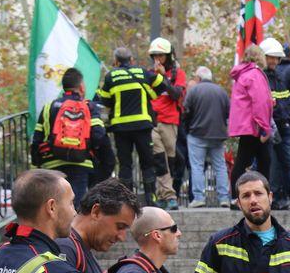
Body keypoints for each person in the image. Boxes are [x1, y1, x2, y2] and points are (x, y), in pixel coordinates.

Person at [96, 47, 169, 206]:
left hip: (121, 128)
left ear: (115, 61)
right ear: (131, 60)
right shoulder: (142, 72)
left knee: (125, 164)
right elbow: (162, 84)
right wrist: (159, 76)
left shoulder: (111, 76)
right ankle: (151, 199)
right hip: (142, 126)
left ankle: (126, 201)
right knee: (147, 163)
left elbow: (105, 101)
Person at [30, 68, 110, 208]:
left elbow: (37, 138)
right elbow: (98, 135)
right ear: (81, 87)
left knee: (54, 207)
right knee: (74, 206)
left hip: (52, 165)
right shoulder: (88, 107)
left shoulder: (49, 107)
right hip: (80, 163)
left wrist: (36, 164)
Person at [182, 66, 231, 208]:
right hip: (218, 135)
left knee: (197, 166)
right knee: (220, 166)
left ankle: (199, 198)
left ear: (198, 78)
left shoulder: (194, 91)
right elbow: (228, 113)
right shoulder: (221, 91)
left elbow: (186, 112)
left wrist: (189, 127)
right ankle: (223, 198)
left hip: (197, 134)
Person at [147, 38, 187, 209]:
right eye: (155, 55)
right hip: (153, 121)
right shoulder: (149, 74)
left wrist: (163, 76)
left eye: (161, 55)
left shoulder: (178, 74)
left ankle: (163, 195)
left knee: (170, 159)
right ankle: (170, 196)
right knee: (159, 159)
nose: (158, 59)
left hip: (170, 121)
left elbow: (176, 94)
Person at [228, 44, 275, 190]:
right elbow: (260, 102)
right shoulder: (255, 74)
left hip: (245, 124)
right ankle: (244, 196)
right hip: (253, 126)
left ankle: (250, 194)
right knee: (258, 161)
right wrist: (265, 128)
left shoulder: (242, 75)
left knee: (255, 160)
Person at [262, 38, 290, 211]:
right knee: (272, 164)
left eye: (276, 58)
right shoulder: (261, 77)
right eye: (271, 58)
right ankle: (274, 195)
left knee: (287, 162)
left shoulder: (278, 76)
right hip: (269, 127)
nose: (274, 62)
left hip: (283, 125)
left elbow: (285, 99)